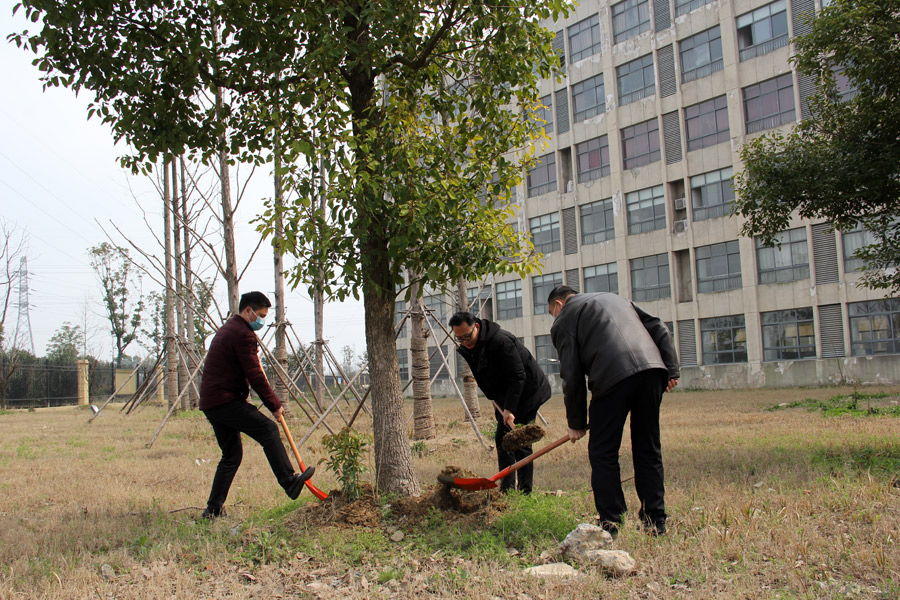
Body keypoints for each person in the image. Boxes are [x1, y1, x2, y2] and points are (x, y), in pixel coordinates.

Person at [547, 286, 679, 536]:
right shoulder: (616, 299)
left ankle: (611, 523)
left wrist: (576, 422)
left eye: (552, 313)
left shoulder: (564, 318)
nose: (555, 318)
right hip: (652, 372)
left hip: (612, 378)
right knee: (648, 448)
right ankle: (655, 522)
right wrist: (671, 369)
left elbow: (571, 374)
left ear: (559, 304)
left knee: (603, 452)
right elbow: (659, 326)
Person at [199, 291, 314, 519]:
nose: (261, 320)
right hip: (224, 400)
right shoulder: (242, 334)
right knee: (268, 429)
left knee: (231, 456)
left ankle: (213, 510)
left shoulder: (228, 330)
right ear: (247, 311)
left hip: (212, 402)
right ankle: (289, 481)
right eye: (260, 315)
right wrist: (274, 403)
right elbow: (255, 374)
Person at [449, 311, 552, 494]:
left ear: (477, 327)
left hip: (527, 391)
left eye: (467, 336)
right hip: (505, 395)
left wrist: (510, 409)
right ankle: (507, 489)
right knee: (502, 440)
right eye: (460, 338)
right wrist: (496, 398)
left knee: (520, 440)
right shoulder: (470, 346)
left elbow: (518, 376)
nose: (465, 341)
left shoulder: (500, 341)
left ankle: (525, 492)